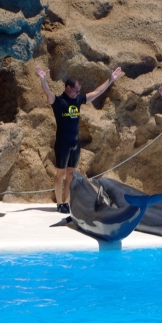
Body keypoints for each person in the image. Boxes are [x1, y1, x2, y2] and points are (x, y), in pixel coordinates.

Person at [36, 65, 123, 213]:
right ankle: (59, 203)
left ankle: (67, 202)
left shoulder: (78, 100)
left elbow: (97, 92)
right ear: (67, 88)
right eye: (76, 90)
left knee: (71, 173)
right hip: (62, 142)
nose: (78, 92)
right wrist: (43, 80)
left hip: (75, 143)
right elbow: (48, 93)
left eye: (79, 90)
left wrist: (110, 80)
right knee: (61, 173)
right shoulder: (58, 102)